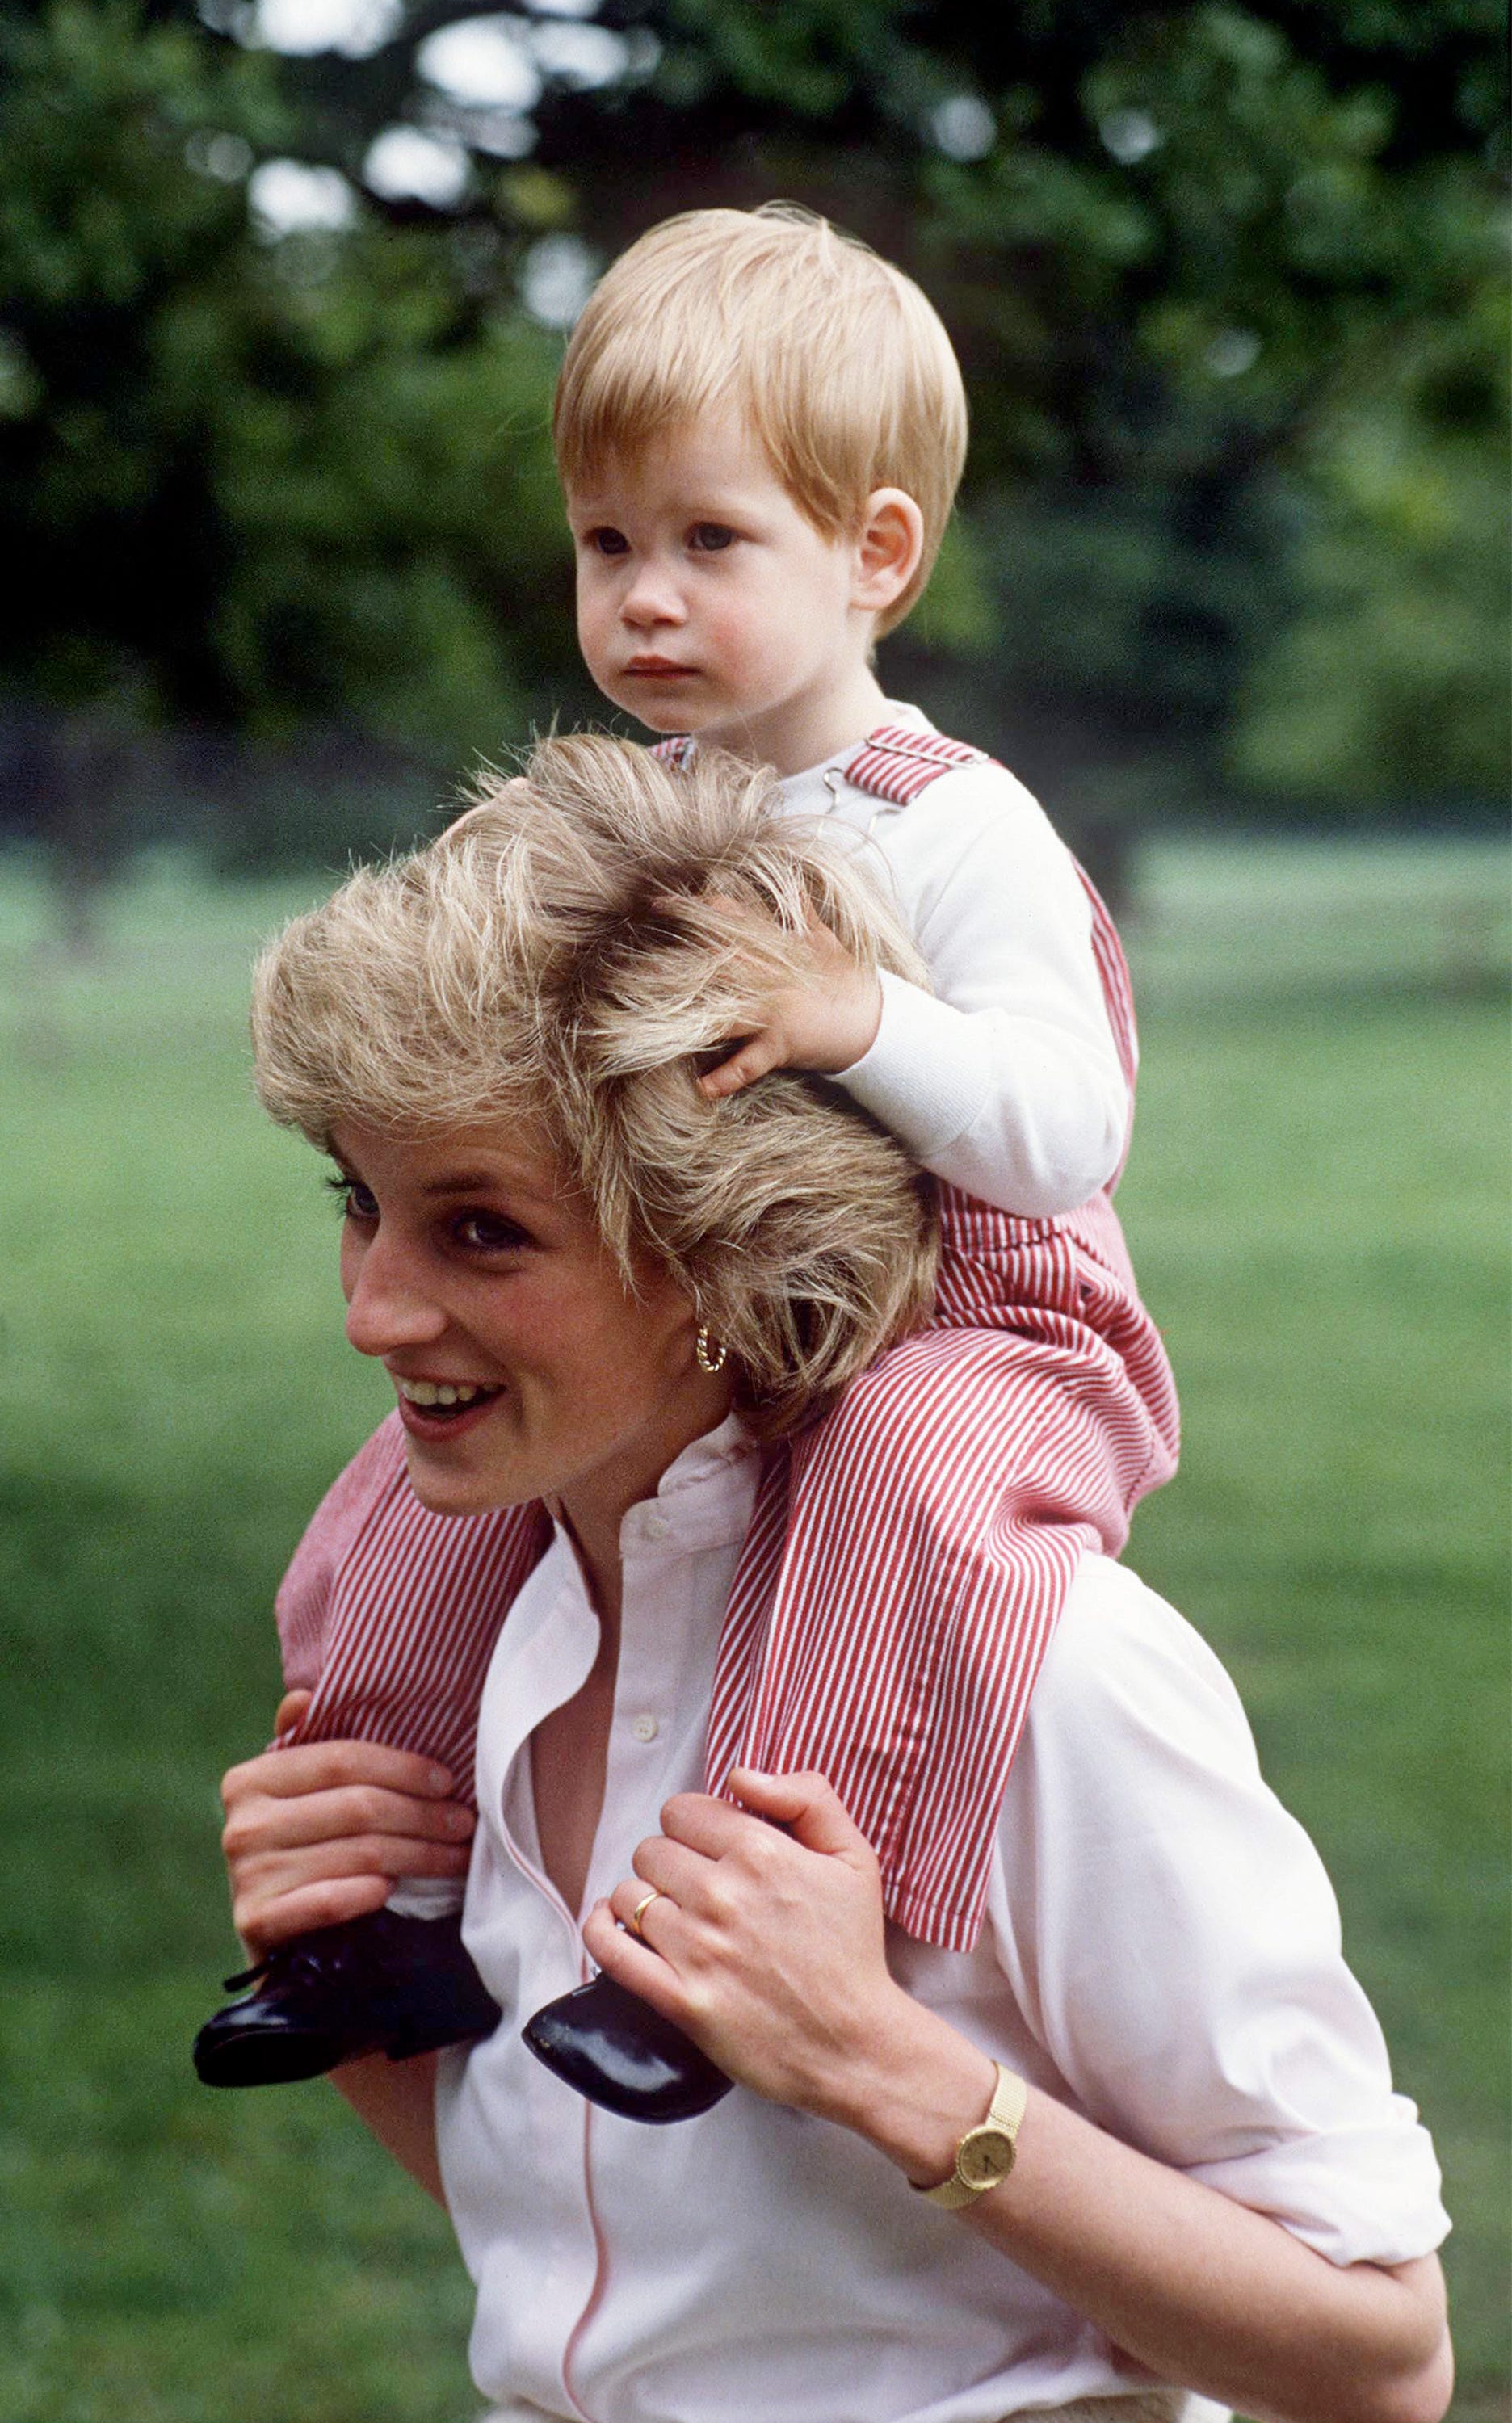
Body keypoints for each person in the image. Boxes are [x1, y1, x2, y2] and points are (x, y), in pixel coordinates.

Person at [215, 740, 1451, 2423]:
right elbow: (629, 2285)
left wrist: (879, 2063)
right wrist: (354, 1985)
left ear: (721, 1247)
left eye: (481, 1231)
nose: (373, 1307)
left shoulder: (1040, 1671)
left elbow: (1379, 2356)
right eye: (360, 1203)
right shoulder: (492, 1625)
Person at [195, 203, 1180, 2098]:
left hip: (975, 1328)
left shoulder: (948, 819)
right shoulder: (630, 799)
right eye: (605, 543)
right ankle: (372, 1920)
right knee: (396, 1513)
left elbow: (1064, 1136)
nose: (642, 597)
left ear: (873, 551)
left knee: (895, 1483)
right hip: (698, 1309)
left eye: (707, 541)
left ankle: (720, 1943)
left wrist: (855, 1021)